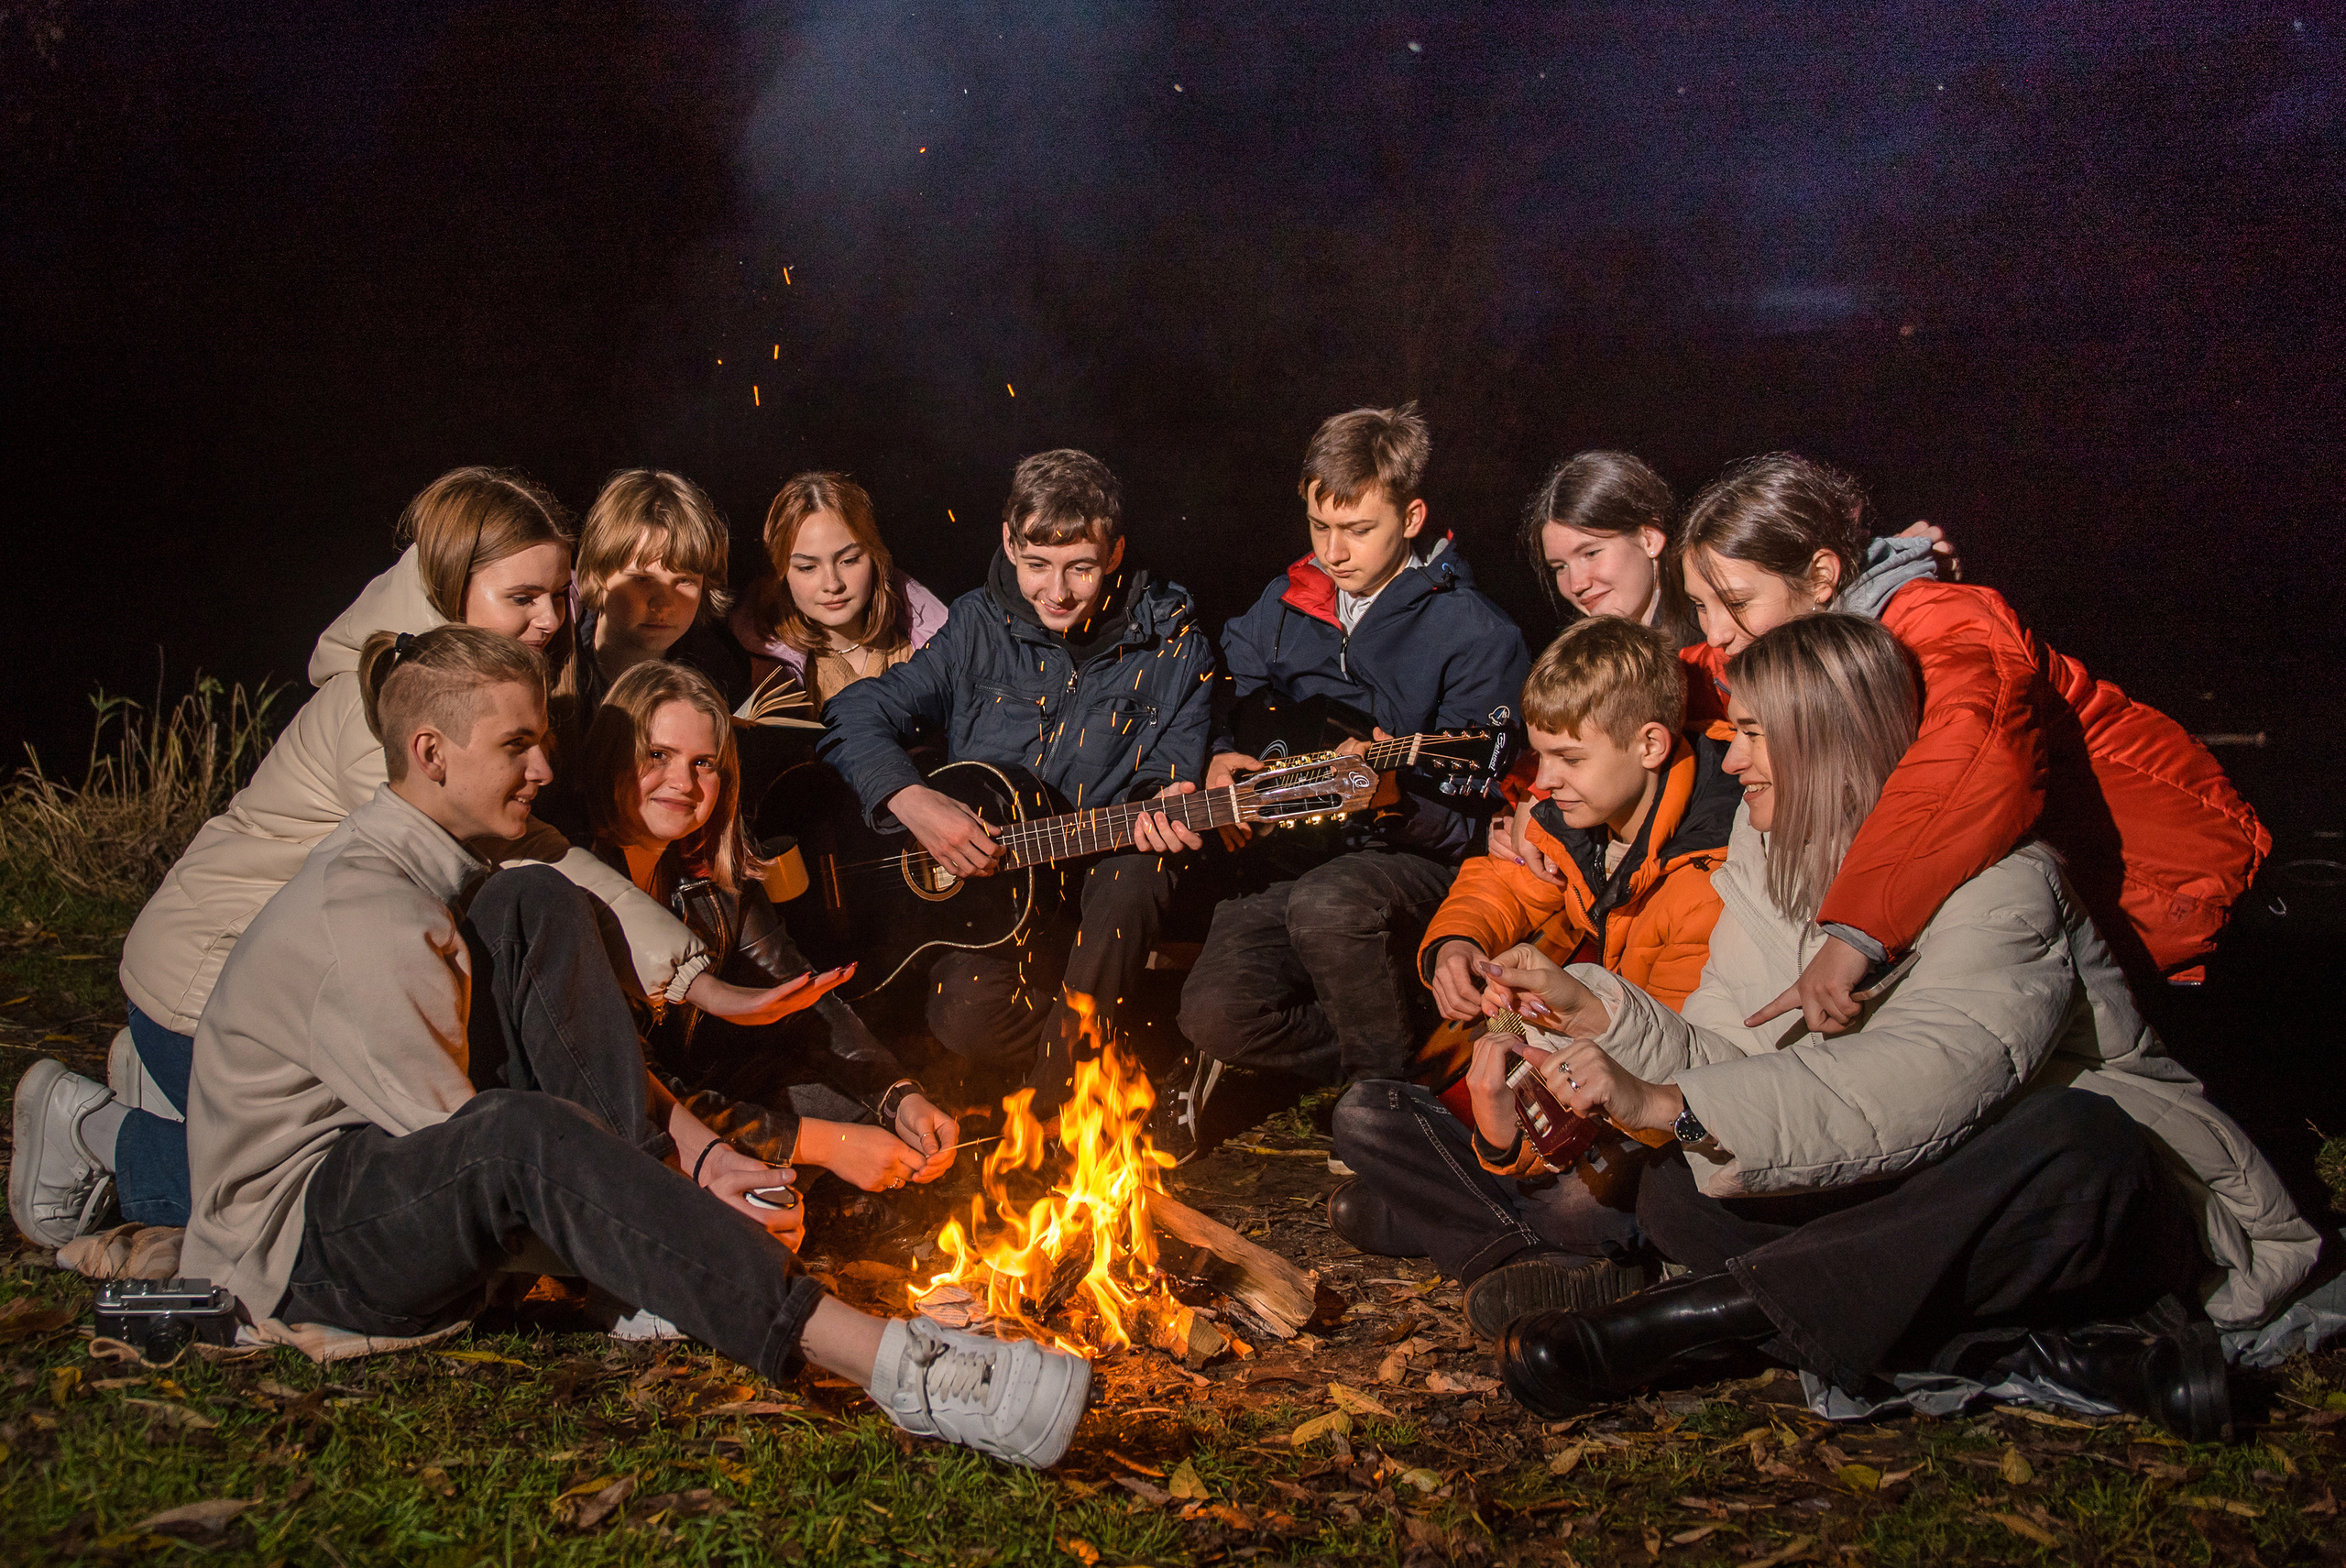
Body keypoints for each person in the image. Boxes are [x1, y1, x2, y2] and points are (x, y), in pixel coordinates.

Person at [175, 624, 1091, 1465]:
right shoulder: (371, 917)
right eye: (515, 746)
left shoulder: (456, 873)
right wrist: (674, 1225)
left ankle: (644, 1277)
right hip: (303, 1252)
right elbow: (482, 1168)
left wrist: (698, 1162)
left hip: (387, 1170)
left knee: (540, 902)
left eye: (542, 741)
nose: (543, 767)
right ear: (430, 753)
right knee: (514, 1133)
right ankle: (900, 1368)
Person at [1475, 615, 2315, 1440]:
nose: (1730, 760)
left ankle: (1688, 1320)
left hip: (2068, 1196)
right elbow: (1733, 1055)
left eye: (1755, 736)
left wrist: (1672, 1103)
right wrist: (1599, 1012)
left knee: (2081, 1140)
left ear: (1829, 741)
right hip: (1915, 1196)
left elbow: (1922, 1081)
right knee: (1677, 1185)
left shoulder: (2003, 879)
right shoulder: (1770, 871)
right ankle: (2052, 1355)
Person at [16, 468, 714, 1248]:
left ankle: (172, 1096)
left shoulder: (484, 687)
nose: (551, 620)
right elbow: (508, 862)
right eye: (523, 597)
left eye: (558, 595)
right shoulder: (385, 713)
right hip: (212, 977)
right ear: (451, 583)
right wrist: (679, 973)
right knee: (342, 1200)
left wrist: (678, 963)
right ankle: (93, 1131)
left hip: (311, 979)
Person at [1672, 453, 2266, 1030]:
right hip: (2070, 917)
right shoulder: (1792, 654)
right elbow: (1687, 680)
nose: (1717, 631)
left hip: (2170, 891)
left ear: (1824, 576)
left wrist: (1856, 931)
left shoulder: (1944, 622)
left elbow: (1972, 759)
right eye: (1700, 606)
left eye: (1736, 603)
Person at [1326, 617, 1740, 1335]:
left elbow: (1673, 1073)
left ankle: (1488, 1228)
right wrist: (1457, 946)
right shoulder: (1577, 811)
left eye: (1567, 758)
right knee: (1364, 1113)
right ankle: (1522, 1238)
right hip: (1562, 1090)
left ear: (1649, 744)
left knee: (1584, 1201)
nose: (1542, 782)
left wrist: (1514, 1125)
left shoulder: (1708, 873)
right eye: (1541, 755)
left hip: (1639, 1118)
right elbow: (1500, 885)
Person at [1165, 404, 1529, 1155]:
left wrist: (1392, 801)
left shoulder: (1476, 633)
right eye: (1319, 525)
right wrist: (1219, 751)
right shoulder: (1287, 599)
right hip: (1291, 852)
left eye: (1358, 529)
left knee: (1330, 903)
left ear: (1412, 517)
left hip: (1414, 860)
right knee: (1214, 1013)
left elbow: (1480, 816)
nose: (1333, 551)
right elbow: (1223, 684)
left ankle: (1383, 1111)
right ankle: (1412, 1041)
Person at [817, 450, 1215, 1110]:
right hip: (1001, 895)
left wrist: (1164, 800)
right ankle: (1136, 1052)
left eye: (1080, 567)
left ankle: (1058, 1115)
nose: (1057, 591)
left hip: (1096, 889)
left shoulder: (1174, 645)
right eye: (1037, 565)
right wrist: (911, 800)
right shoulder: (977, 625)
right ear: (1009, 541)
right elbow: (855, 713)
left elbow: (1164, 776)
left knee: (1138, 872)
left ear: (1115, 552)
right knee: (961, 1013)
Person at [580, 659, 960, 1195]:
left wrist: (899, 1096)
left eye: (704, 763)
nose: (683, 783)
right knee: (813, 1155)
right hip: (629, 1134)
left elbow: (801, 997)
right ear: (614, 755)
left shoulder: (712, 870)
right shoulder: (575, 889)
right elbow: (638, 1093)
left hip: (716, 1089)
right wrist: (827, 1144)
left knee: (865, 1117)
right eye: (658, 755)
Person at [729, 471, 949, 714]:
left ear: (875, 558)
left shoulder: (928, 654)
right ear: (781, 574)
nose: (832, 584)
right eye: (808, 567)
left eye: (849, 560)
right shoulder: (758, 673)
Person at [562, 467, 752, 718]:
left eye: (684, 581)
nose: (662, 604)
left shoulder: (722, 672)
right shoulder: (558, 659)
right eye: (642, 580)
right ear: (598, 573)